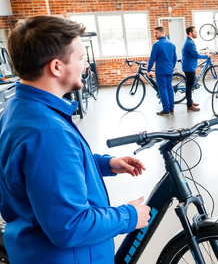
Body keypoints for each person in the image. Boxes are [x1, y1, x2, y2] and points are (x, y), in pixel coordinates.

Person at [0, 16, 151, 264]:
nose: (86, 65)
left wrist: (105, 163)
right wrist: (129, 216)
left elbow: (44, 172)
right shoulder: (48, 132)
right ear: (57, 67)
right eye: (80, 58)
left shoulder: (20, 109)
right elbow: (69, 226)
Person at [147, 26, 178, 116]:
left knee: (163, 89)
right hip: (169, 70)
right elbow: (174, 58)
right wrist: (172, 68)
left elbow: (152, 59)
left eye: (156, 33)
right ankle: (172, 108)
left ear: (162, 33)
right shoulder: (172, 44)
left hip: (160, 71)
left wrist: (148, 70)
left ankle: (166, 109)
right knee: (169, 88)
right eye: (154, 33)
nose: (154, 35)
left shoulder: (156, 45)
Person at [181, 26, 211, 112]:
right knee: (189, 86)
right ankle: (189, 106)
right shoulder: (189, 43)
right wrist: (206, 55)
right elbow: (196, 55)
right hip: (189, 67)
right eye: (195, 32)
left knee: (189, 86)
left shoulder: (189, 41)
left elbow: (194, 53)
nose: (196, 33)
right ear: (190, 33)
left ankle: (190, 101)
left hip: (189, 66)